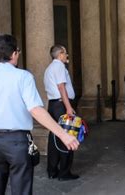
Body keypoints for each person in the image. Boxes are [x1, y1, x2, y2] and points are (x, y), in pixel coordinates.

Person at [0, 34, 79, 195]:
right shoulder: (23, 77)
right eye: (18, 51)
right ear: (13, 54)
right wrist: (64, 135)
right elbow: (36, 110)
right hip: (17, 142)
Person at [44, 44, 79, 181]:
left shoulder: (50, 68)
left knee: (54, 138)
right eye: (65, 53)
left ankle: (52, 170)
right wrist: (68, 107)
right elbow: (61, 88)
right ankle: (64, 172)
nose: (67, 56)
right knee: (67, 136)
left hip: (54, 105)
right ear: (60, 54)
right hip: (61, 105)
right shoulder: (59, 66)